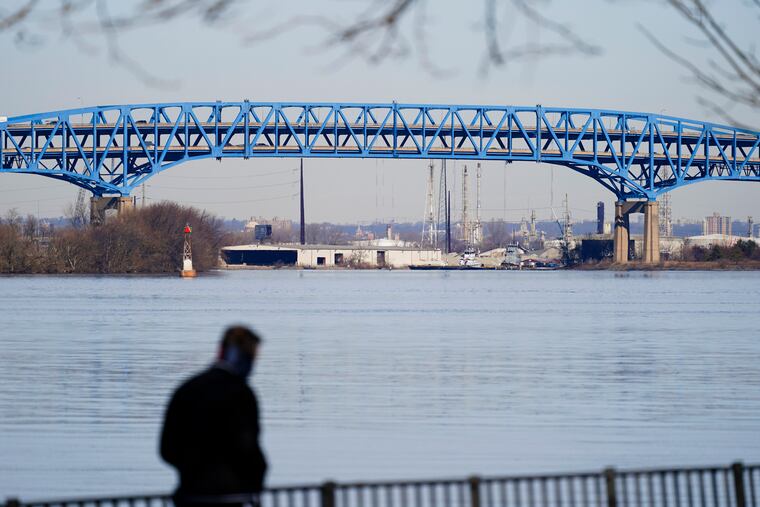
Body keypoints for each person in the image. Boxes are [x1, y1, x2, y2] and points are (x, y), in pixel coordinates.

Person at [160, 326, 267, 506]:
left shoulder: (187, 388)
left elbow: (167, 449)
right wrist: (254, 480)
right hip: (233, 496)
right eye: (251, 357)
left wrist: (191, 468)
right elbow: (248, 446)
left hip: (190, 494)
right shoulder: (242, 393)